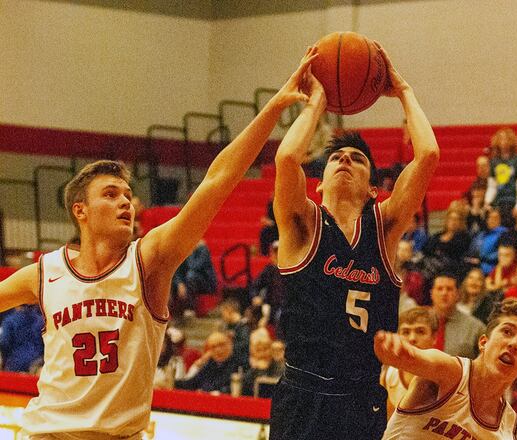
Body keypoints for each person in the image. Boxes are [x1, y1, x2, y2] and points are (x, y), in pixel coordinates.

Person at [0, 50, 315, 438]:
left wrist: (274, 108)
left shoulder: (150, 260)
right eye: (111, 194)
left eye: (127, 195)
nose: (125, 203)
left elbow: (217, 181)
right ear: (80, 211)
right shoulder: (45, 272)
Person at [270, 44, 439, 440]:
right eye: (336, 158)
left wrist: (405, 91)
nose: (345, 160)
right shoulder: (303, 224)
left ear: (373, 191)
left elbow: (428, 154)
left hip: (361, 396)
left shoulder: (383, 229)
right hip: (303, 391)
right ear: (320, 181)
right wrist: (317, 104)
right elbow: (286, 160)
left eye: (357, 160)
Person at [376, 298, 517, 439]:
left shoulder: (508, 425)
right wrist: (397, 351)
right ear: (483, 342)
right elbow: (417, 358)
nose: (514, 343)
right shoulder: (451, 372)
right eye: (507, 332)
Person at [381, 307, 438, 418]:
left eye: (420, 331)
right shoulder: (388, 375)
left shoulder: (446, 374)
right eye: (406, 332)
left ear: (434, 337)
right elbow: (388, 423)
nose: (412, 338)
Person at [430, 274, 486, 359]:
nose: (444, 293)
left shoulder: (475, 328)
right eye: (439, 289)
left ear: (458, 294)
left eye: (449, 289)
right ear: (431, 293)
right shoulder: (418, 323)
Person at [170, 240, 217, 319]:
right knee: (171, 280)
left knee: (191, 276)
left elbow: (193, 266)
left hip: (205, 283)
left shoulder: (202, 249)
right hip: (188, 280)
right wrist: (180, 284)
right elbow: (177, 270)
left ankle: (190, 308)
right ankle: (171, 313)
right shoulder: (183, 249)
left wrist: (190, 252)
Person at [0, 305, 44, 372]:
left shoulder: (10, 321)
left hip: (15, 363)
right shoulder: (40, 320)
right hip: (35, 363)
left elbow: (4, 342)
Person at [242, 329, 284, 398]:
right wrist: (259, 369)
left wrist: (264, 370)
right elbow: (245, 390)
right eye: (258, 350)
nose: (262, 353)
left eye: (265, 349)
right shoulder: (251, 368)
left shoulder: (279, 367)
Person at [219, 298, 250, 369]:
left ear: (229, 310)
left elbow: (244, 344)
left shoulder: (243, 326)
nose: (222, 316)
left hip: (240, 364)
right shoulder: (228, 325)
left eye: (223, 313)